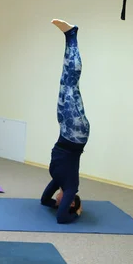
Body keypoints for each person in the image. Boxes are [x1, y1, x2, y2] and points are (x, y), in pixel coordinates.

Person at [40, 19, 91, 224]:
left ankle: (69, 38)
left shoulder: (59, 182)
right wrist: (76, 213)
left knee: (65, 82)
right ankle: (71, 35)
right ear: (70, 203)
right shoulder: (71, 187)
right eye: (63, 202)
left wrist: (54, 203)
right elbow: (61, 218)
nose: (57, 199)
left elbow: (44, 201)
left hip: (65, 131)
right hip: (76, 134)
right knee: (71, 84)